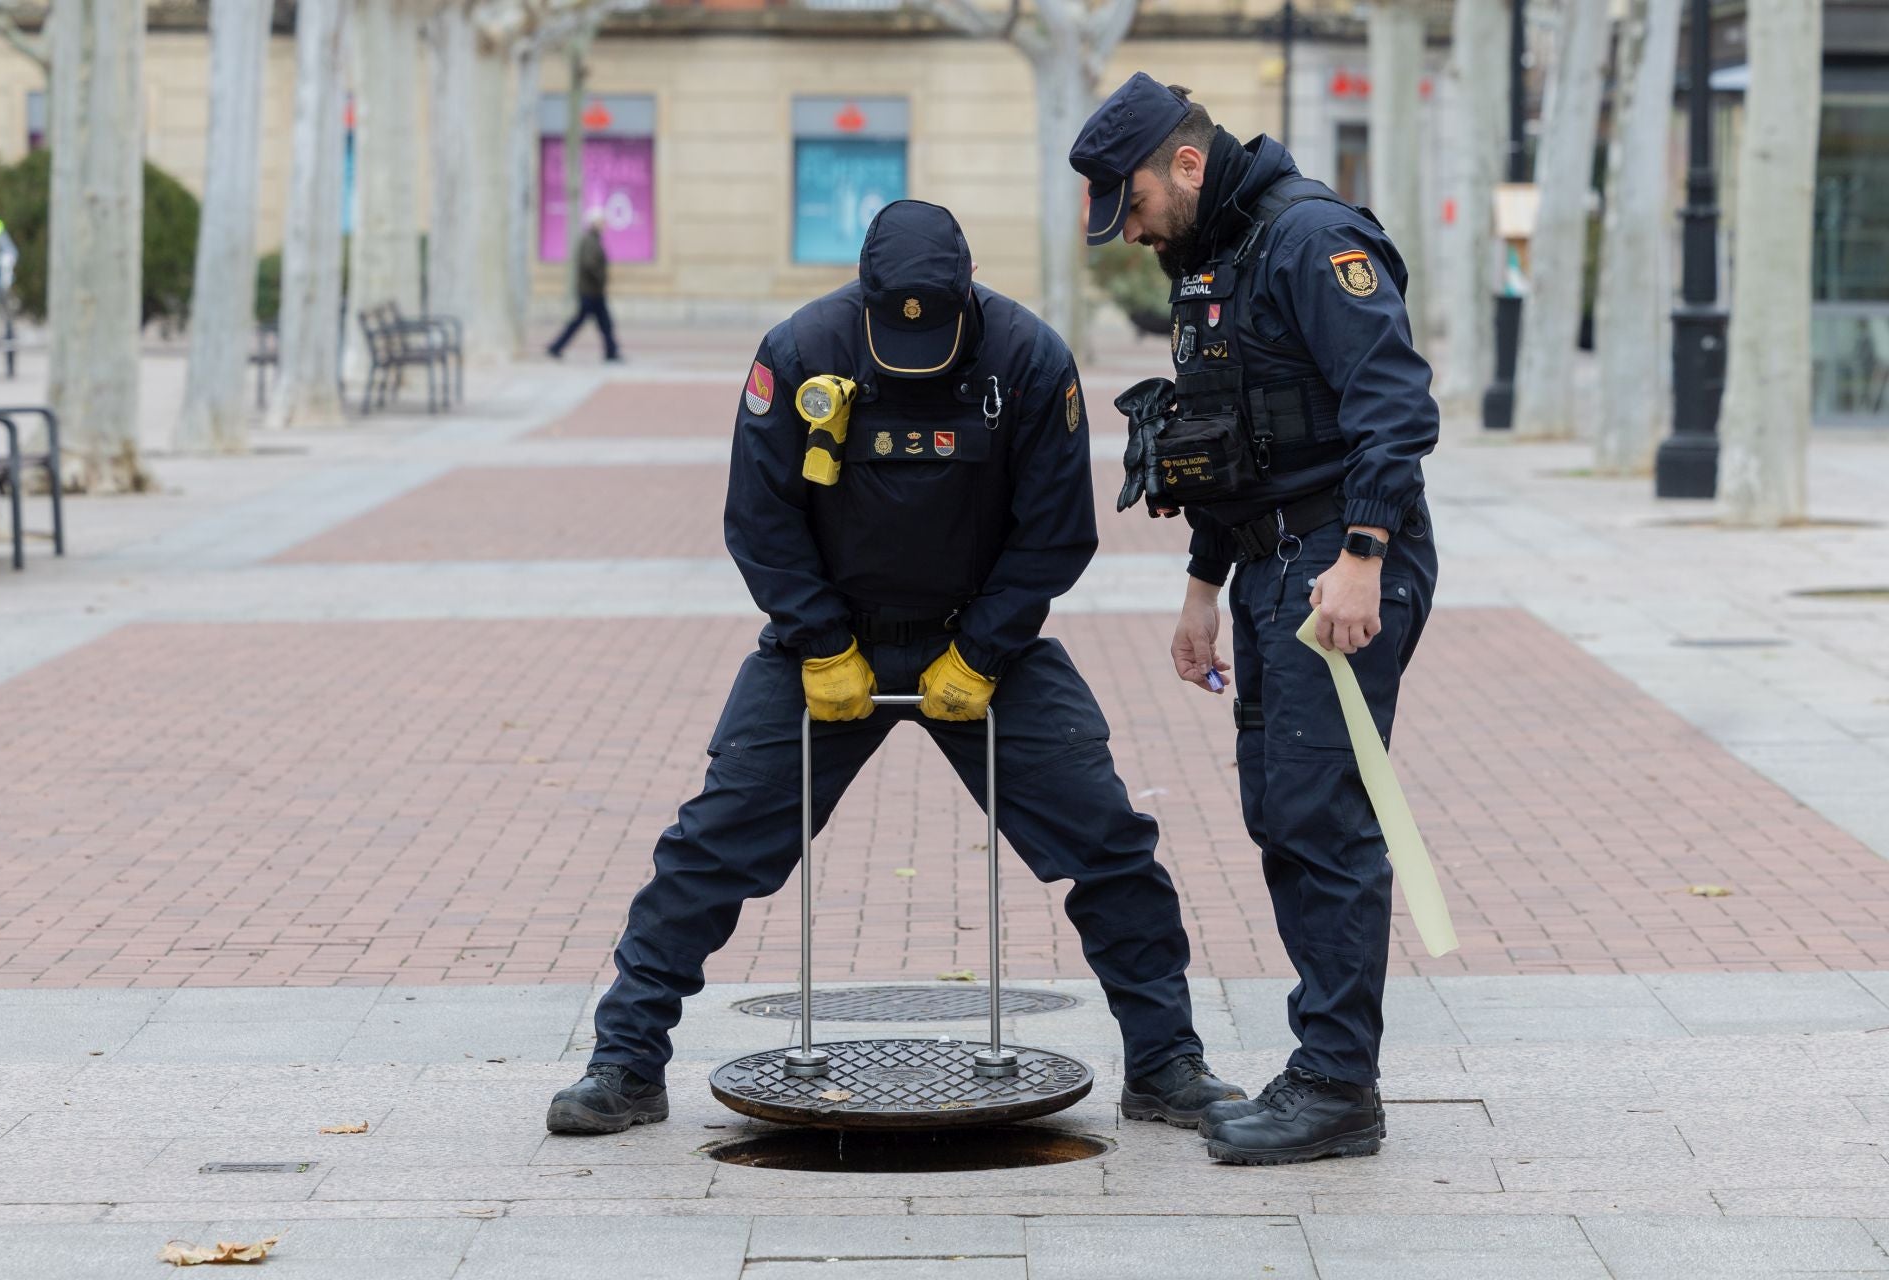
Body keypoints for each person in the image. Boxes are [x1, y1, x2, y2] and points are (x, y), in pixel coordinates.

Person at [546, 199, 1242, 1136]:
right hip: (830, 638)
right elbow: (760, 521)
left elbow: (1056, 532)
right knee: (711, 847)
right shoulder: (797, 352)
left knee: (1109, 845)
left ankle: (1164, 1063)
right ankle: (624, 1063)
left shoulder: (1030, 359)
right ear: (865, 301)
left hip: (984, 637)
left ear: (967, 301)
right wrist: (823, 642)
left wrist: (987, 647)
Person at [1070, 73, 1440, 1166]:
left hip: (1340, 561)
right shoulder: (1217, 257)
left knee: (1321, 816)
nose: (1126, 232)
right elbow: (1230, 438)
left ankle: (1337, 1086)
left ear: (1186, 164)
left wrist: (1363, 558)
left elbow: (1395, 409)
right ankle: (1325, 1064)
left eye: (1130, 205)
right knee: (1282, 809)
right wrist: (1202, 586)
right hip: (1276, 564)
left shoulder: (1312, 237)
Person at [547, 209, 619, 362]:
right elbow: (589, 264)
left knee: (603, 323)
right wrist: (600, 278)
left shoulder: (593, 240)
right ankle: (556, 347)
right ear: (594, 223)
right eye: (601, 222)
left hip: (593, 291)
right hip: (590, 292)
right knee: (584, 322)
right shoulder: (589, 241)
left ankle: (611, 352)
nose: (603, 225)